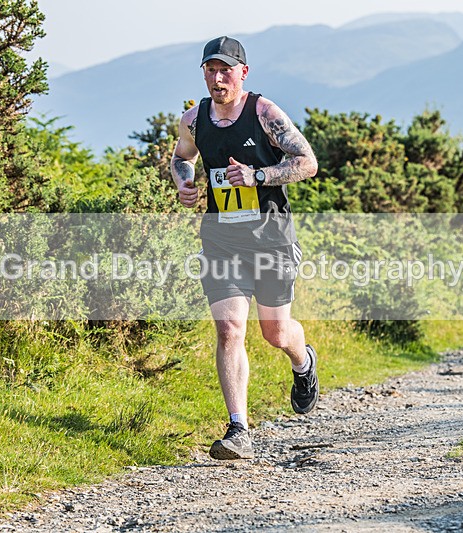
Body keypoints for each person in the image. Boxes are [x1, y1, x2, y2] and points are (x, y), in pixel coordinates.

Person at [170, 36, 319, 460]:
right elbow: (182, 157)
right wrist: (184, 181)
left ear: (243, 72)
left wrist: (258, 177)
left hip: (271, 238)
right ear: (203, 73)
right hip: (221, 240)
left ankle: (303, 361)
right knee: (229, 329)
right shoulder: (194, 119)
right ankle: (239, 429)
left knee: (275, 333)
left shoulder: (264, 113)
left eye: (226, 71)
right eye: (210, 71)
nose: (218, 79)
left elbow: (307, 162)